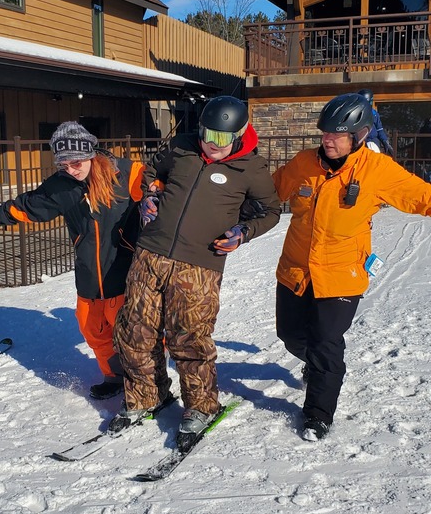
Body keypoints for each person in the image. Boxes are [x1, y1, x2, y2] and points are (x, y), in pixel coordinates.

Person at [108, 96, 281, 441]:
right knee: (134, 330)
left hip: (199, 265)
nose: (210, 144)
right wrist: (151, 195)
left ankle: (202, 406)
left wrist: (243, 232)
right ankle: (146, 395)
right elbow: (154, 172)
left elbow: (271, 211)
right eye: (205, 134)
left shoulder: (252, 169)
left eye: (220, 137)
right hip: (150, 253)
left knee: (189, 338)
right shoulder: (183, 147)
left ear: (239, 134)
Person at [273, 92, 431, 442]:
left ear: (359, 135)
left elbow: (423, 197)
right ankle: (313, 364)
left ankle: (318, 415)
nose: (328, 141)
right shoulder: (303, 164)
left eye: (337, 135)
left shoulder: (377, 171)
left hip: (341, 276)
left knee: (327, 343)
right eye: (325, 134)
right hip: (297, 271)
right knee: (291, 335)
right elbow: (269, 192)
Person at [0, 121, 145, 400]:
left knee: (133, 334)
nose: (71, 170)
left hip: (126, 273)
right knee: (94, 330)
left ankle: (144, 385)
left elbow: (164, 190)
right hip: (89, 276)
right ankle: (114, 377)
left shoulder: (126, 174)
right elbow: (27, 205)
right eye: (63, 165)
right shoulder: (61, 186)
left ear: (90, 153)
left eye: (76, 162)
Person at [357, 89, 393, 155]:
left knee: (375, 160)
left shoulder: (374, 114)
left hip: (373, 142)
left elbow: (379, 130)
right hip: (361, 143)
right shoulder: (356, 114)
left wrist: (385, 141)